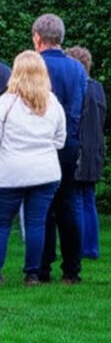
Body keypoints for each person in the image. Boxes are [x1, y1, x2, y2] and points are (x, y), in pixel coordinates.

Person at [0, 51, 65, 285]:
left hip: (11, 172)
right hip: (45, 171)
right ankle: (32, 273)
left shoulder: (7, 102)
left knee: (1, 222)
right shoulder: (52, 102)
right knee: (37, 223)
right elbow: (60, 140)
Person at [32, 13, 87, 283]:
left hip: (41, 143)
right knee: (69, 203)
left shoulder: (36, 65)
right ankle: (72, 268)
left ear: (37, 38)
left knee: (42, 206)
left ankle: (42, 267)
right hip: (70, 143)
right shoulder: (78, 68)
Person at [64, 46, 105, 260]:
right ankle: (91, 247)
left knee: (77, 200)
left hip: (79, 149)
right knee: (89, 200)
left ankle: (80, 247)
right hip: (95, 151)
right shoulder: (98, 88)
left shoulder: (78, 89)